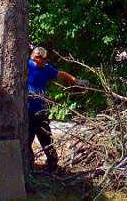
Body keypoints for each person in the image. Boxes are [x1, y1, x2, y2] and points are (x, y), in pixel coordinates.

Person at [27, 46, 85, 174]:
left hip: (41, 111)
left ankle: (52, 166)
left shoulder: (46, 68)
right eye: (44, 59)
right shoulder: (27, 66)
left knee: (46, 138)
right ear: (36, 58)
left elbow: (61, 74)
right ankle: (28, 166)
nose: (46, 61)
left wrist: (75, 81)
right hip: (28, 111)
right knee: (26, 141)